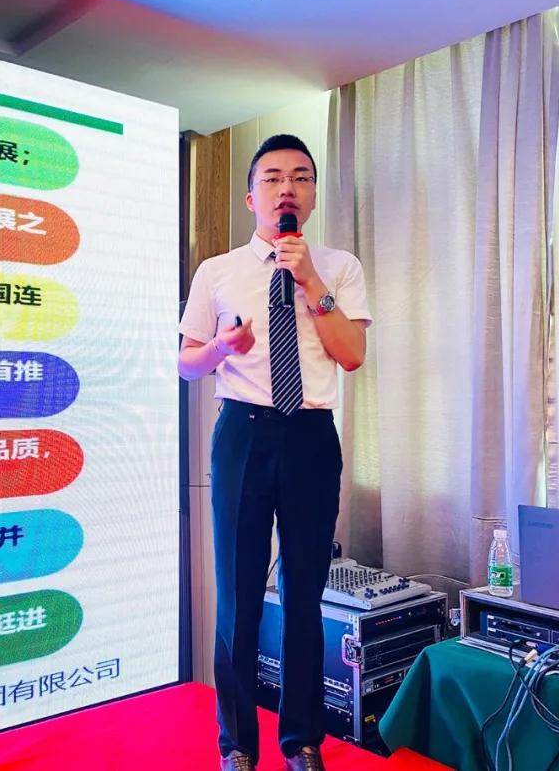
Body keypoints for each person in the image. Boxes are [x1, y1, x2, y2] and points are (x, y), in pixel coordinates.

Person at [178, 134, 371, 771]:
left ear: (311, 195)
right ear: (251, 196)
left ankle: (302, 742)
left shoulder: (339, 267)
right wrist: (220, 349)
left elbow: (351, 354)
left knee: (303, 593)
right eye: (273, 177)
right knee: (237, 594)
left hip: (311, 434)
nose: (287, 187)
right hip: (243, 431)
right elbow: (186, 362)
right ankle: (237, 745)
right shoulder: (217, 270)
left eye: (301, 177)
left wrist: (310, 279)